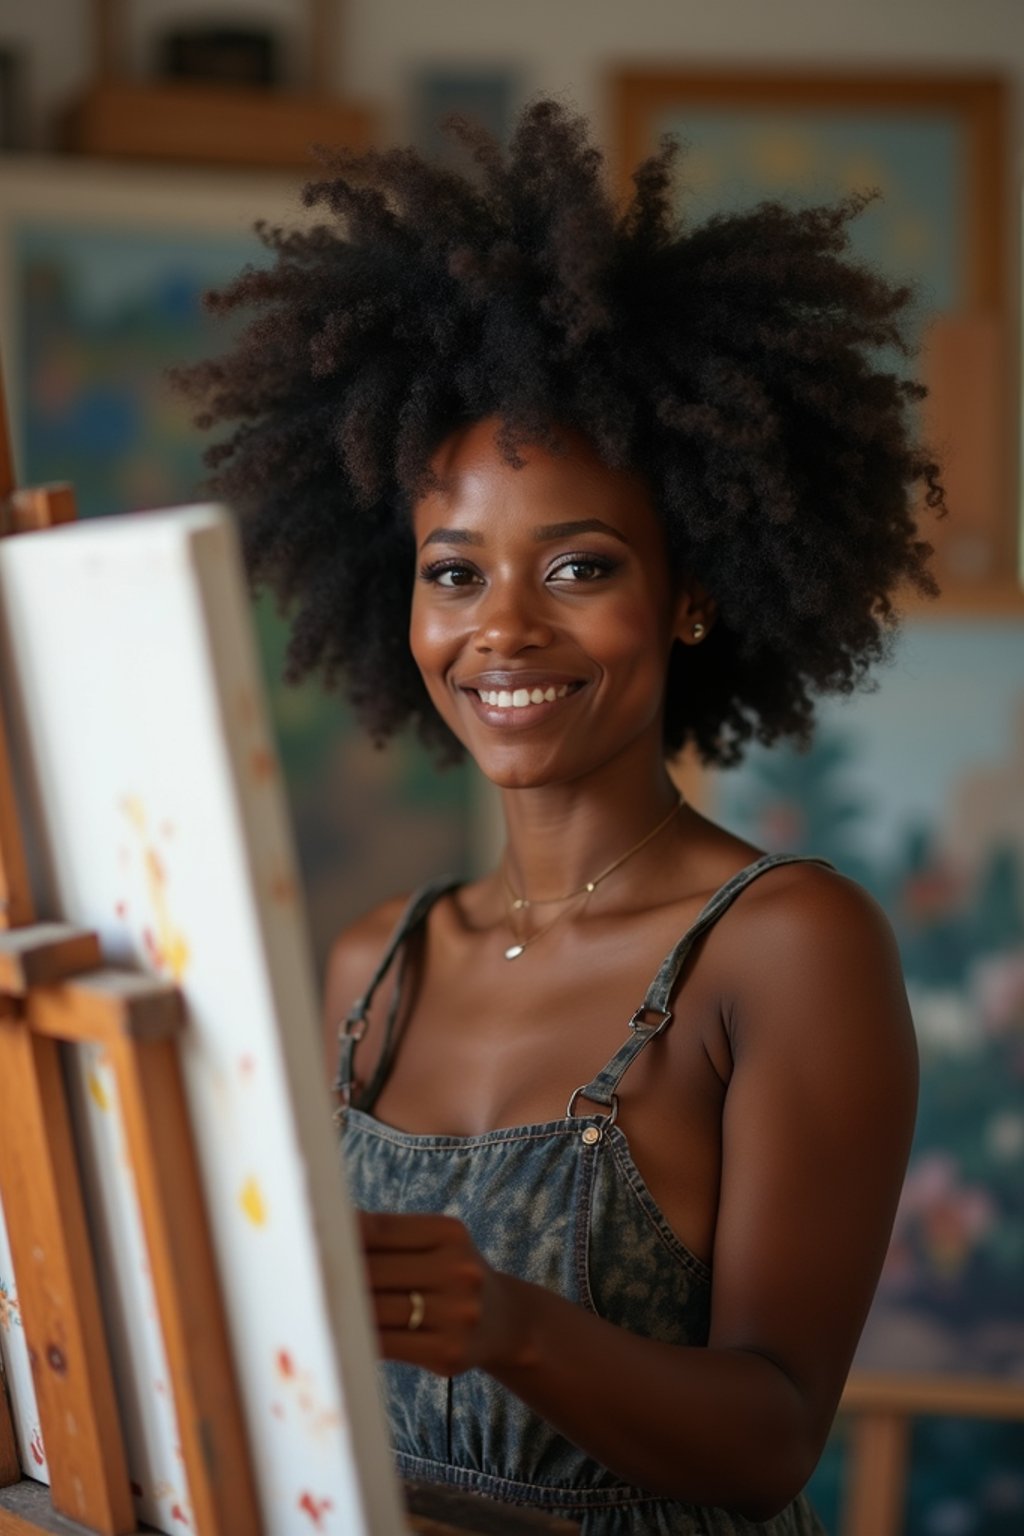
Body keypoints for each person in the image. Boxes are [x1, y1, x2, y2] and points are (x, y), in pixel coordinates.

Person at [178, 99, 943, 1534]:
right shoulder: (372, 966)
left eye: (580, 568)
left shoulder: (786, 944)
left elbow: (774, 1435)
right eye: (455, 574)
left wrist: (512, 1326)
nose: (503, 631)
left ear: (695, 590)